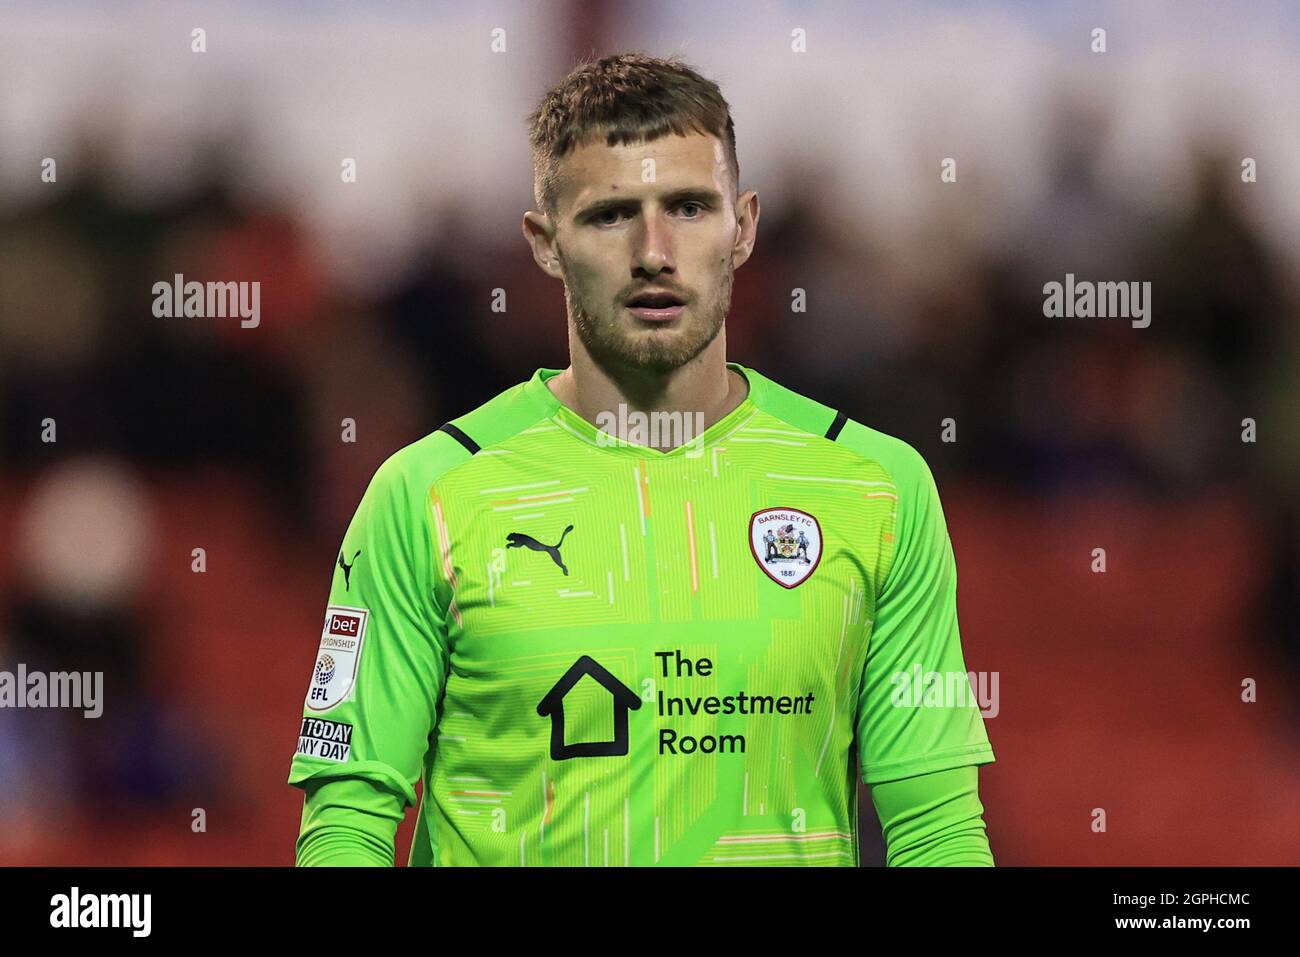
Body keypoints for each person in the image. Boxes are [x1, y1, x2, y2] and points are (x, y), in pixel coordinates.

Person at [288, 52, 995, 866]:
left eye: (690, 207)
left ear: (745, 224)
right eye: (610, 215)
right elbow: (348, 825)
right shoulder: (425, 495)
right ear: (545, 241)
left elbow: (937, 828)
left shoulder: (878, 486)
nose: (654, 251)